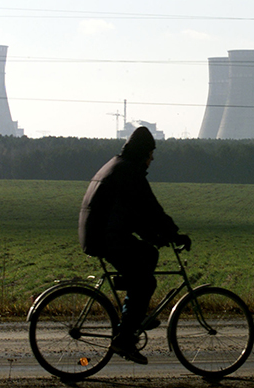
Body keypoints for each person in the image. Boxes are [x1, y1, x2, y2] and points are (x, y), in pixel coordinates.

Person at [78, 126, 191, 364]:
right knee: (145, 281)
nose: (152, 159)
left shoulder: (118, 165)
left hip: (99, 231)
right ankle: (124, 339)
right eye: (150, 154)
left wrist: (155, 237)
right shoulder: (129, 172)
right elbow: (150, 208)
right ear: (142, 152)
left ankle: (134, 315)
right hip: (104, 236)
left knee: (148, 255)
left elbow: (132, 212)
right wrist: (174, 234)